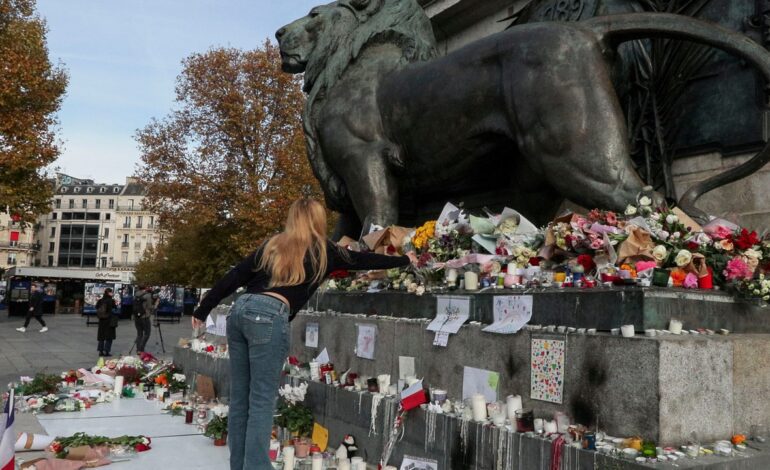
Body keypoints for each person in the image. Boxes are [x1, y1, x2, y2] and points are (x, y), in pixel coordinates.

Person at [192, 198, 417, 470]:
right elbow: (363, 259)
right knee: (262, 400)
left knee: (241, 399)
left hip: (240, 311)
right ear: (318, 220)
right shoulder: (324, 249)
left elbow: (236, 274)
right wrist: (405, 259)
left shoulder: (273, 244)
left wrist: (203, 309)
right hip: (269, 316)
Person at [96, 288, 117, 356]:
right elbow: (115, 308)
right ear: (109, 293)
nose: (112, 293)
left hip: (102, 320)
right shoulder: (111, 300)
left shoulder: (101, 300)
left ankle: (100, 351)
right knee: (109, 336)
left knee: (101, 336)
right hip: (109, 320)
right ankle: (106, 351)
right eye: (111, 292)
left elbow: (96, 307)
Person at [133, 286, 153, 354]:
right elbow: (150, 307)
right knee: (147, 333)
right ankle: (141, 348)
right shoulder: (147, 295)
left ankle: (138, 349)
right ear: (145, 288)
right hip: (145, 316)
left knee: (139, 334)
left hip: (137, 317)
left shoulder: (135, 294)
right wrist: (156, 304)